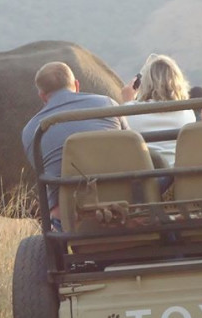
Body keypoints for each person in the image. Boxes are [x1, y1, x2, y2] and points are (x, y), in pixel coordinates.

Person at [22, 62, 127, 231]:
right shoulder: (107, 104)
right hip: (126, 208)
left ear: (42, 95)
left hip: (73, 222)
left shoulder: (31, 131)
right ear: (76, 85)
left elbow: (49, 182)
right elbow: (132, 148)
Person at [119, 54, 196, 169]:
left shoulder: (129, 113)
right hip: (177, 180)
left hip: (146, 181)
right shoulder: (188, 114)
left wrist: (127, 103)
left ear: (144, 83)